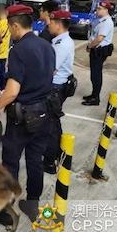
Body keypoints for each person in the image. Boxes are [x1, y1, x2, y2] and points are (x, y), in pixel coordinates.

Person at [0, 4, 55, 224]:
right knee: (35, 160)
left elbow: (13, 91)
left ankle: (7, 211)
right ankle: (32, 203)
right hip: (45, 114)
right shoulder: (47, 46)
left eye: (10, 26)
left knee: (11, 162)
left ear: (15, 25)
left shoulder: (19, 50)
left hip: (23, 118)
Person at [42, 10, 75, 174]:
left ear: (58, 24)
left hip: (55, 88)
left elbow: (50, 69)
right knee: (54, 123)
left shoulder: (63, 44)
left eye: (51, 21)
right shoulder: (59, 41)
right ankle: (58, 153)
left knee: (50, 126)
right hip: (57, 87)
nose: (48, 24)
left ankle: (49, 162)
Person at [82, 0, 115, 106]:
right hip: (96, 49)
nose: (97, 10)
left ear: (106, 10)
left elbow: (99, 38)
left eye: (100, 9)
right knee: (94, 74)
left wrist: (89, 46)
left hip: (99, 50)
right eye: (97, 8)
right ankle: (94, 94)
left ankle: (96, 98)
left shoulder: (107, 22)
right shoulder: (100, 20)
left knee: (96, 74)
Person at [0, 6, 11, 96]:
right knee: (2, 71)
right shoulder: (9, 23)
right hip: (5, 51)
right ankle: (3, 88)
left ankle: (1, 89)